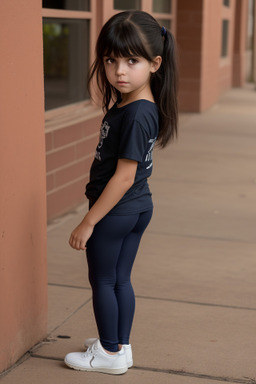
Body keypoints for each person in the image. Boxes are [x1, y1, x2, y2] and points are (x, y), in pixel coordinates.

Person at [64, 10, 178, 375]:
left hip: (115, 211)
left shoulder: (136, 113)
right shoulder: (137, 105)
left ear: (155, 63)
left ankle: (109, 354)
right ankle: (119, 346)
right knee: (119, 279)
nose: (119, 71)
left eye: (132, 60)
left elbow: (123, 177)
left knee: (103, 280)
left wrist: (88, 221)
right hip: (136, 208)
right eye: (111, 60)